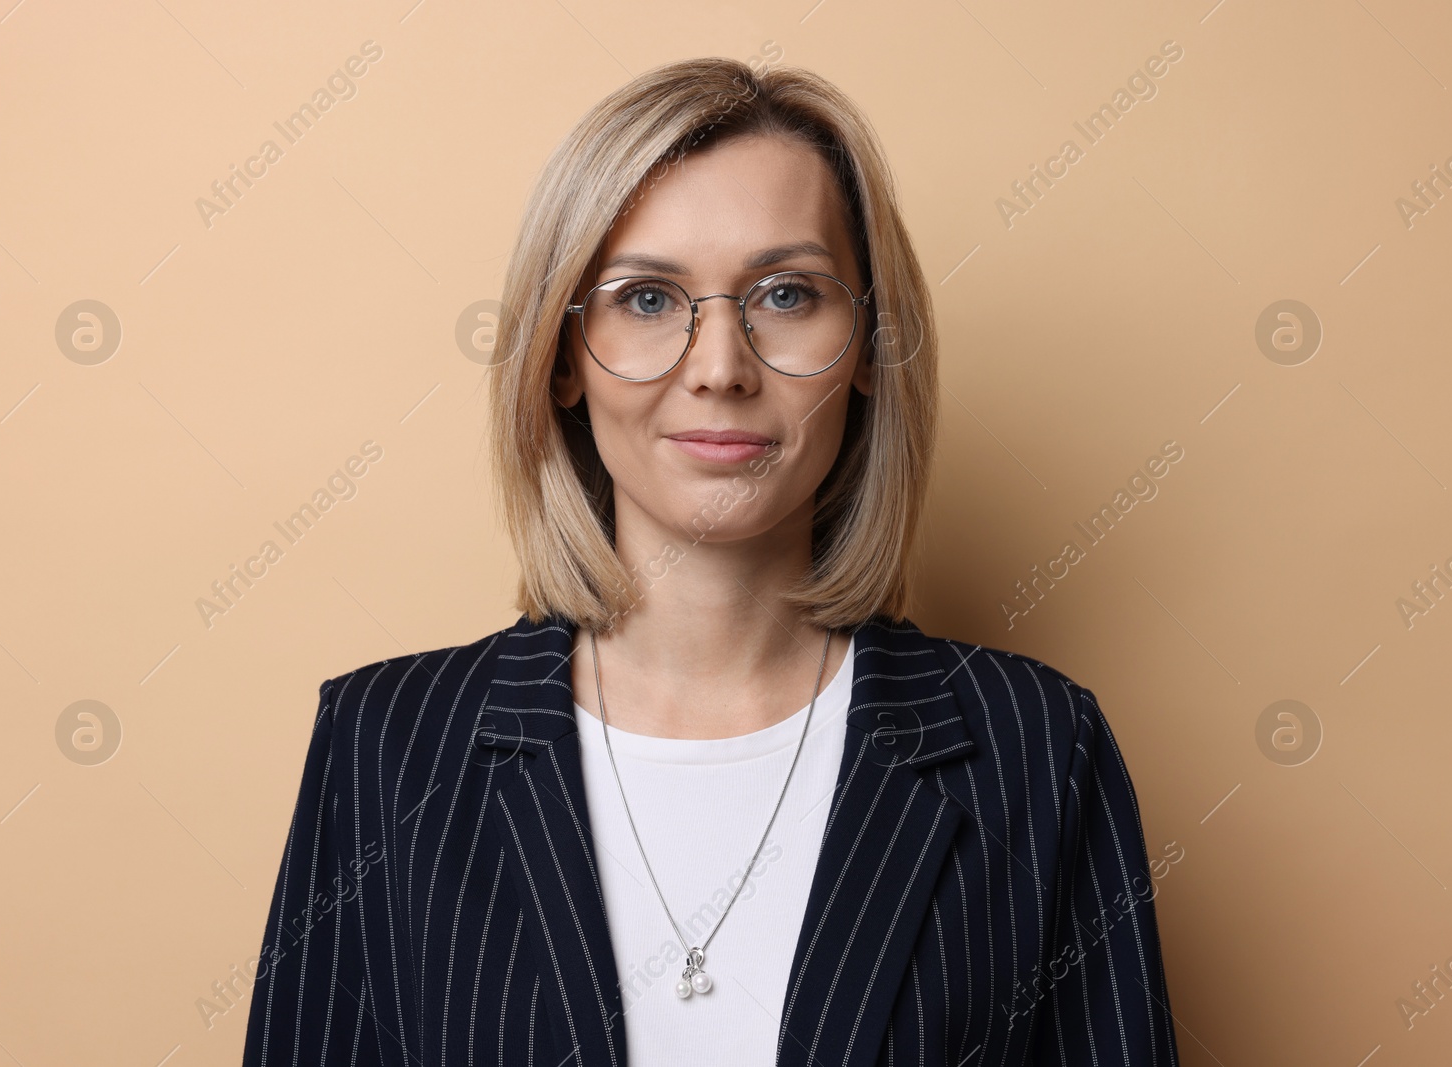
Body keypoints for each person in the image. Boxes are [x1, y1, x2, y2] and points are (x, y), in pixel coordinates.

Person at [241, 56, 1180, 1067]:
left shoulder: (1038, 747)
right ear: (561, 355)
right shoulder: (385, 747)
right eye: (646, 298)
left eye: (786, 293)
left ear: (867, 344)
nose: (721, 367)